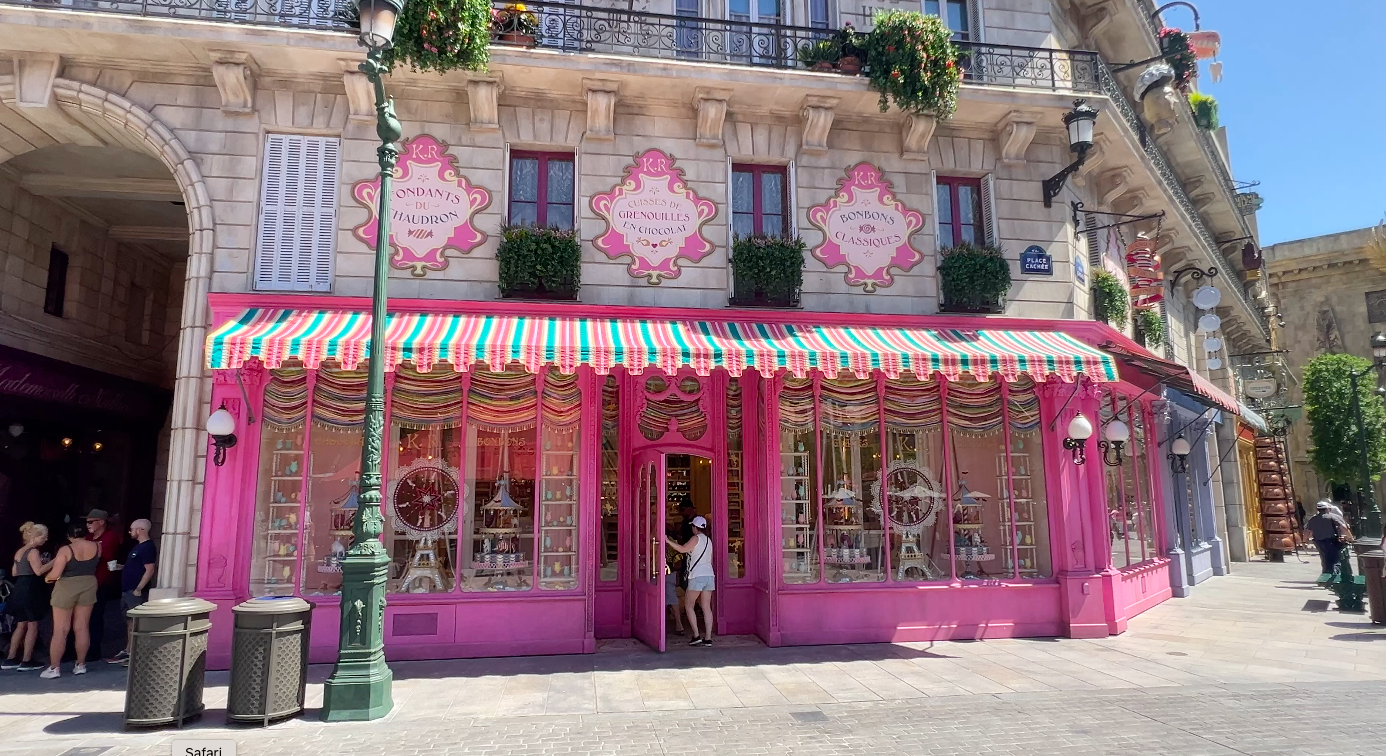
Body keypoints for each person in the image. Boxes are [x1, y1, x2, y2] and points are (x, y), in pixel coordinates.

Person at [42, 522, 101, 678]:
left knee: (61, 629)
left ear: (69, 536)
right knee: (82, 627)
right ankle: (81, 665)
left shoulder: (65, 549)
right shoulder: (97, 547)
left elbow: (55, 573)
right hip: (89, 583)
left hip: (67, 586)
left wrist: (47, 578)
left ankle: (54, 668)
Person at [3, 522, 52, 671]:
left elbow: (14, 573)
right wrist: (54, 561)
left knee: (21, 624)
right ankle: (27, 659)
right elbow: (38, 571)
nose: (46, 540)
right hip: (31, 589)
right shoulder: (33, 551)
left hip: (19, 588)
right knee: (33, 625)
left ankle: (10, 658)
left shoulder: (19, 551)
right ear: (36, 536)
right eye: (44, 537)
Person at [108, 519, 156, 665]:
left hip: (134, 591)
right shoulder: (137, 547)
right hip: (127, 589)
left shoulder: (147, 547)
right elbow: (135, 567)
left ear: (140, 530)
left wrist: (139, 588)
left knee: (137, 621)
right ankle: (129, 650)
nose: (130, 532)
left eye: (131, 529)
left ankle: (136, 653)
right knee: (129, 620)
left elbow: (149, 569)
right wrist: (120, 567)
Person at [666, 515, 714, 647]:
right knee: (706, 607)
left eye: (693, 526)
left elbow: (682, 549)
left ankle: (696, 635)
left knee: (688, 605)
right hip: (709, 575)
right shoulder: (709, 541)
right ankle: (708, 638)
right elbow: (710, 560)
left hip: (697, 576)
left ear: (695, 527)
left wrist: (667, 541)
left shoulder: (696, 538)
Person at [85, 509, 121, 661]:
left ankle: (93, 650)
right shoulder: (88, 537)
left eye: (91, 522)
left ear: (101, 522)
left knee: (95, 617)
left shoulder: (110, 537)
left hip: (100, 581)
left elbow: (97, 556)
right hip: (85, 582)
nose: (88, 525)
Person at [1306, 500, 1352, 576]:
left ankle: (1325, 575)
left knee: (1325, 559)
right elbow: (1344, 528)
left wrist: (1305, 541)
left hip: (1319, 542)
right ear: (1327, 509)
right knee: (1335, 559)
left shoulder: (1312, 519)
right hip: (1332, 541)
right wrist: (1350, 538)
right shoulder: (1333, 517)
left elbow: (1307, 531)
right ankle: (1335, 576)